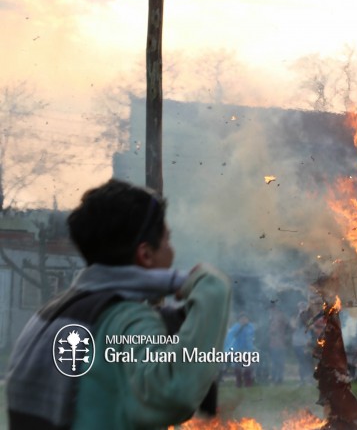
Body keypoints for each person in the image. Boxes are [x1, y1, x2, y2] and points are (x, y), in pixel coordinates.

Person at [6, 179, 231, 429]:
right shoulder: (126, 320)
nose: (172, 251)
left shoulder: (49, 314)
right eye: (168, 241)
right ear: (145, 254)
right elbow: (173, 393)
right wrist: (212, 289)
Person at [225, 312, 256, 387]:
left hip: (248, 349)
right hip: (238, 349)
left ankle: (248, 382)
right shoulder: (236, 327)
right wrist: (240, 327)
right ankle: (238, 382)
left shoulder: (250, 327)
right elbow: (231, 335)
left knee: (248, 367)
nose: (244, 320)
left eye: (245, 318)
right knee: (237, 367)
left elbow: (252, 336)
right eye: (242, 318)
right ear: (239, 320)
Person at [266, 301, 289, 385]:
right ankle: (276, 378)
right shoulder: (271, 317)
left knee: (279, 362)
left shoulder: (279, 316)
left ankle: (278, 379)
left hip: (279, 343)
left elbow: (275, 330)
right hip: (273, 343)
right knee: (275, 362)